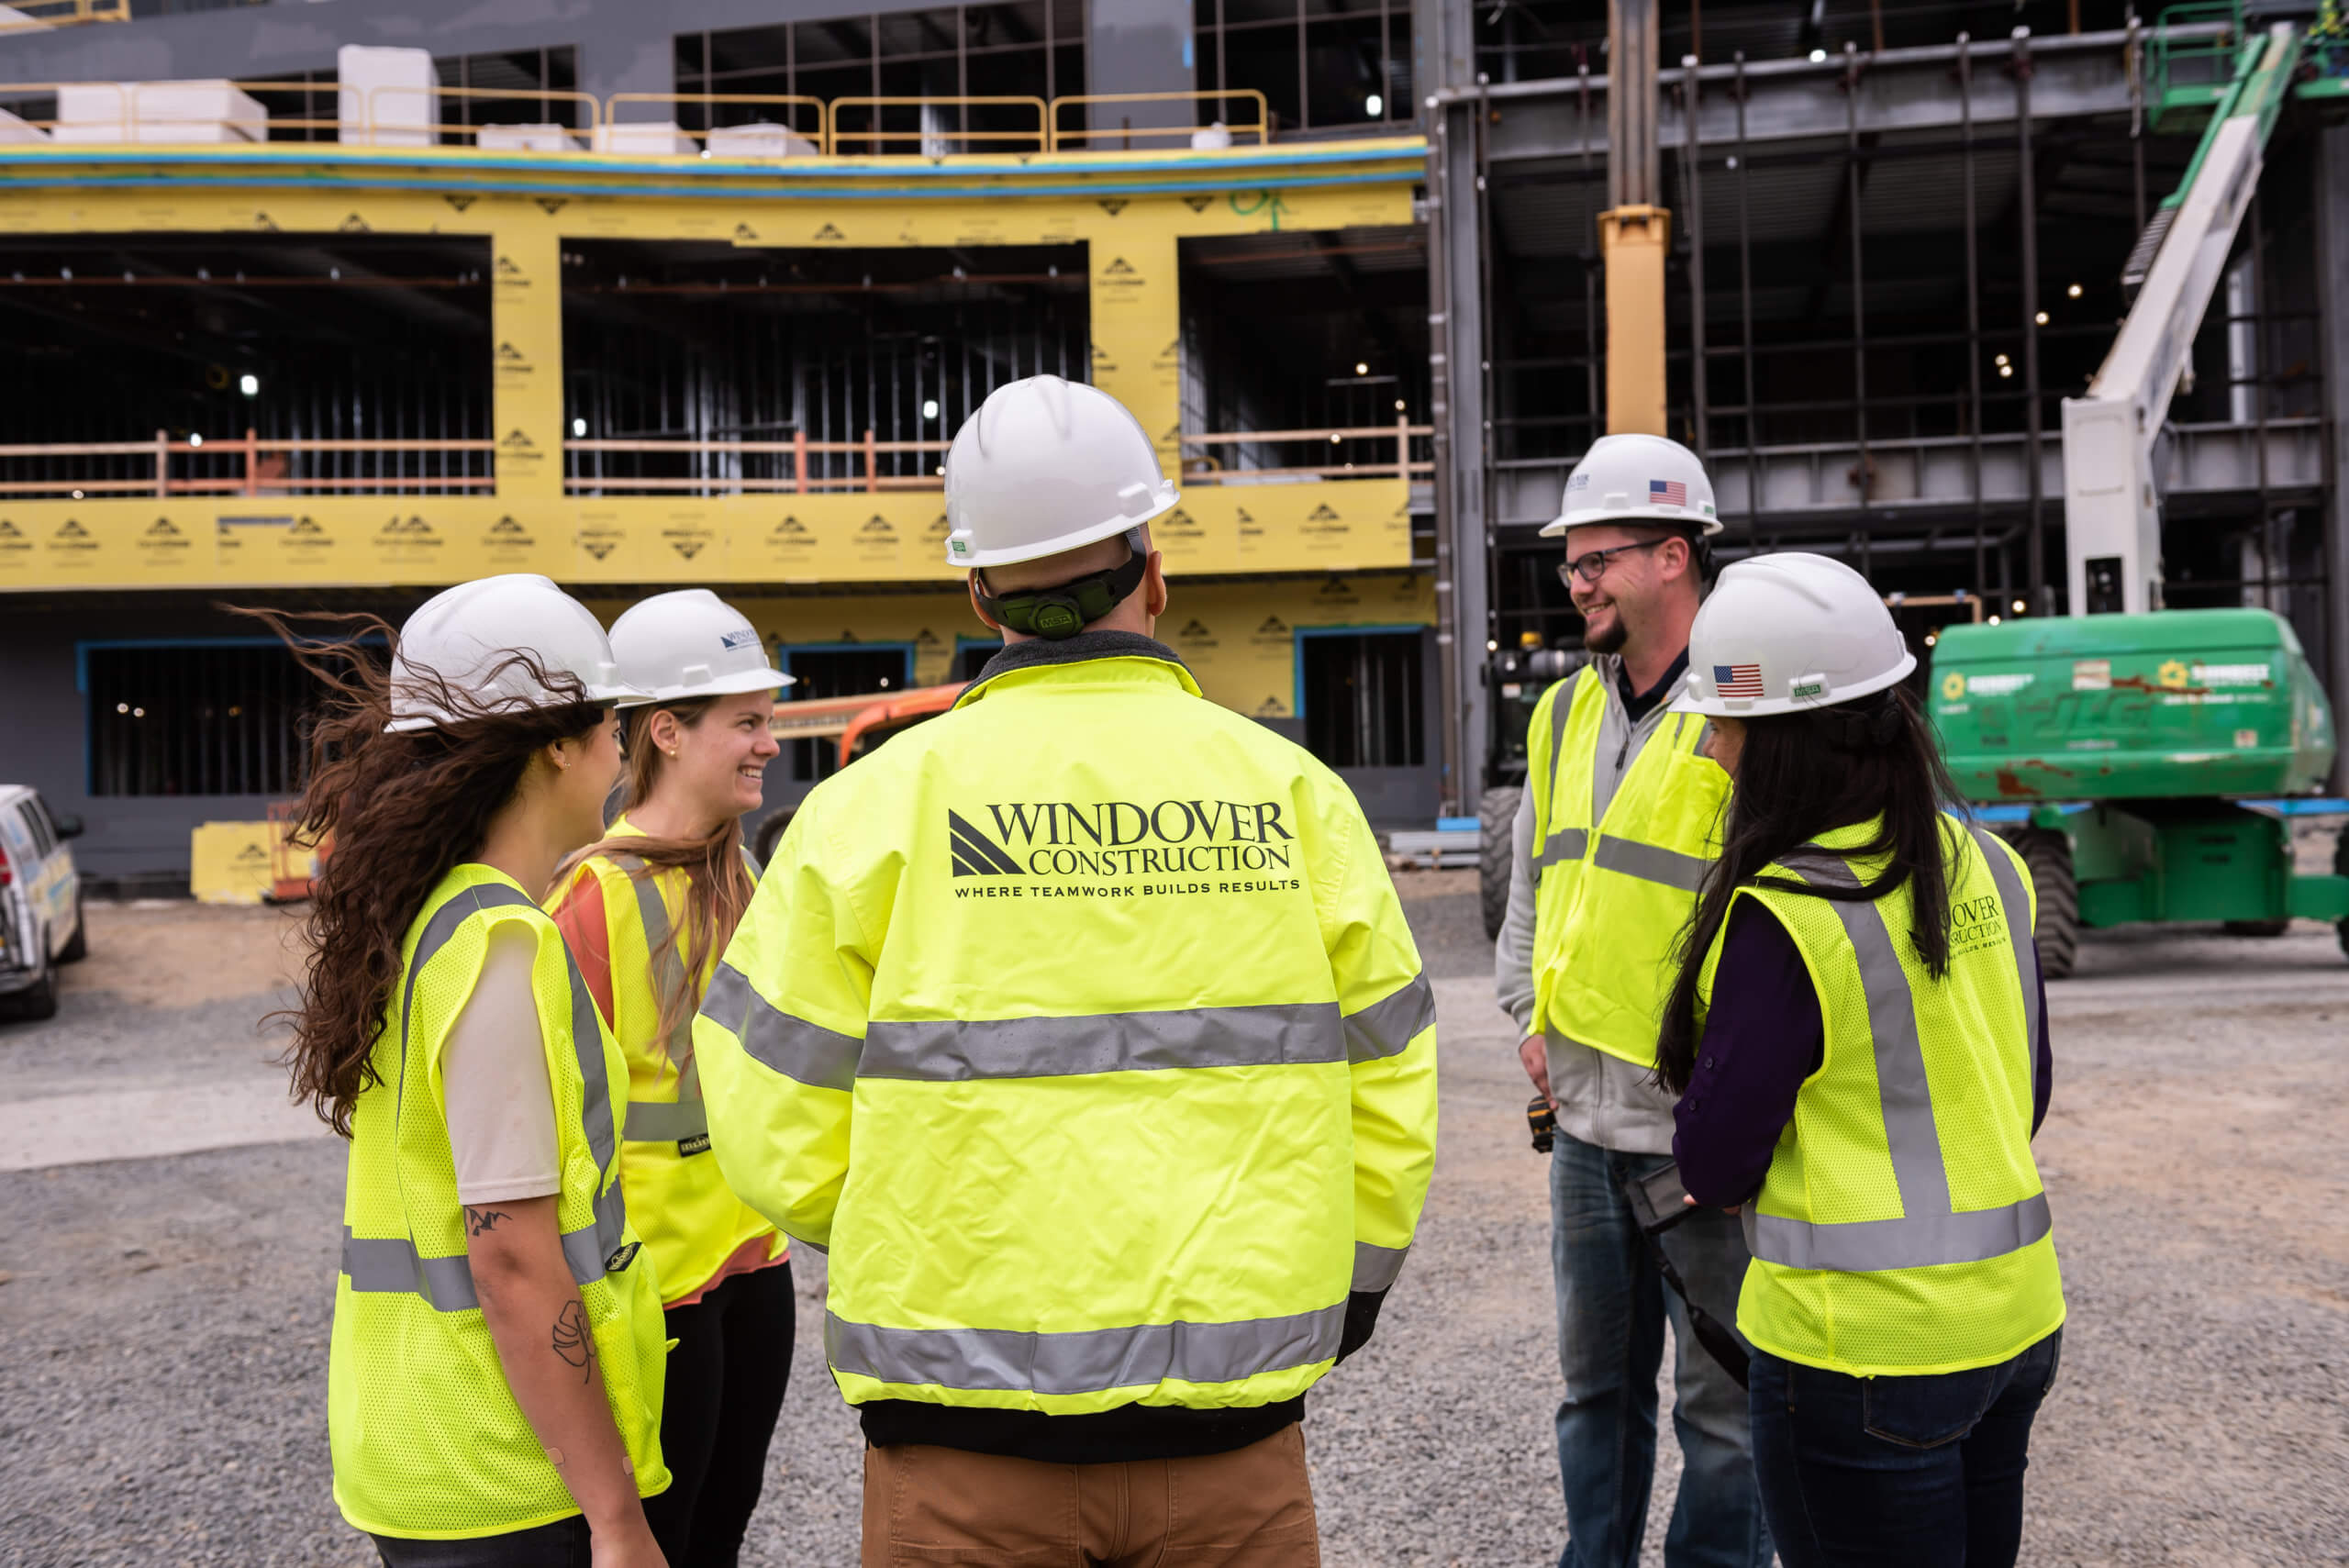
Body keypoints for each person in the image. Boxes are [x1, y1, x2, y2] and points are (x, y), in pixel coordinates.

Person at [695, 374, 1442, 1567]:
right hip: (1232, 1445)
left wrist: (914, 1214)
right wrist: (1344, 1284)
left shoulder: (868, 809)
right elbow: (1391, 1073)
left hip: (956, 1452)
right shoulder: (1296, 798)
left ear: (979, 589)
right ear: (1154, 568)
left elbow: (760, 1100)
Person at [1658, 552, 2064, 1568]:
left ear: (1788, 740)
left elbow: (1712, 1164)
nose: (1710, 751)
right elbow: (2025, 1092)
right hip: (2016, 1321)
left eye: (1723, 722)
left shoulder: (1789, 915)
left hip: (1862, 1355)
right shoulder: (1992, 865)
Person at [262, 573, 673, 1566]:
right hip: (500, 1469)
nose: (622, 747)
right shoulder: (497, 944)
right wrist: (616, 1517)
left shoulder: (430, 916)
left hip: (435, 1443)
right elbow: (513, 1257)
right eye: (609, 722)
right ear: (556, 745)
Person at [1493, 433, 1769, 1568]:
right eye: (1567, 564)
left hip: (1696, 1138)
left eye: (1596, 558)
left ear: (1672, 555)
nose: (1576, 582)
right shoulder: (1562, 712)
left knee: (1725, 1409)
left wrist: (1731, 1085)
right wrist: (1527, 1017)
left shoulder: (1747, 703)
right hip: (1585, 1136)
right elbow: (1530, 885)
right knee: (1592, 1394)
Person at [548, 589, 794, 1568]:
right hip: (657, 1292)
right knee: (670, 1537)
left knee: (725, 1525)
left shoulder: (745, 879)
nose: (768, 743)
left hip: (755, 1262)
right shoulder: (586, 902)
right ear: (666, 731)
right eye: (746, 722)